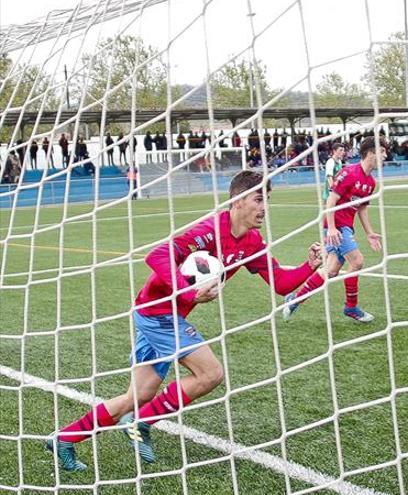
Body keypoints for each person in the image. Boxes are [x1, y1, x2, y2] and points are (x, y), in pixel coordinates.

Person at [46, 170, 324, 472]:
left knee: (138, 395)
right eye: (259, 199)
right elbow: (158, 254)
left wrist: (309, 266)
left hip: (165, 315)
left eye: (266, 200)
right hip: (156, 313)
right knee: (211, 373)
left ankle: (65, 438)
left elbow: (282, 284)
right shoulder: (210, 231)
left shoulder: (253, 242)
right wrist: (188, 290)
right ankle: (141, 422)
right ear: (238, 201)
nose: (264, 207)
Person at [283, 137, 386, 323]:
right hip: (336, 226)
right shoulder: (349, 173)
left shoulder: (370, 182)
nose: (385, 156)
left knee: (330, 271)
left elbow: (362, 208)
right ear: (370, 153)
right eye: (382, 151)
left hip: (346, 227)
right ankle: (351, 307)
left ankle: (294, 299)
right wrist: (330, 228)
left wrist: (370, 232)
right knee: (357, 261)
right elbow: (331, 201)